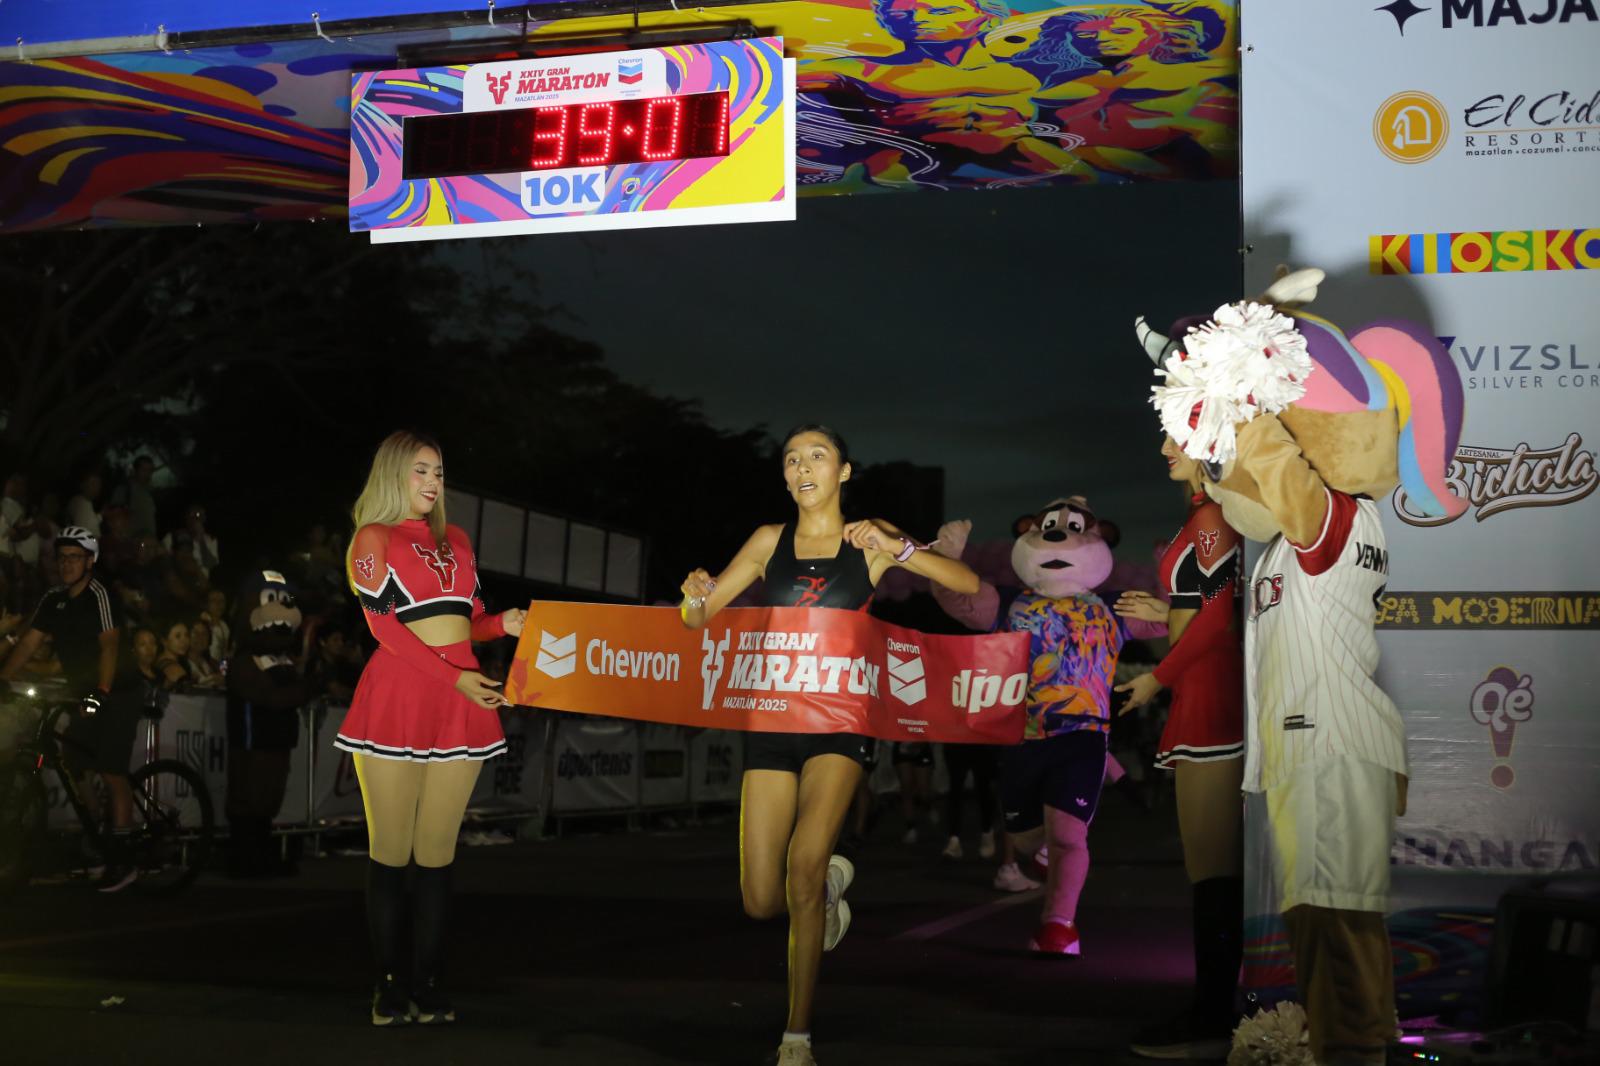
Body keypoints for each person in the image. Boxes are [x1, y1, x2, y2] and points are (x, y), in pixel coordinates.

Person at [678, 424, 980, 1066]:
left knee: (805, 869)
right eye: (792, 459)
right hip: (771, 723)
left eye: (817, 456)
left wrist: (896, 547)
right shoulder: (768, 540)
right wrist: (692, 597)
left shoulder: (867, 538)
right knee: (761, 900)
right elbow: (699, 617)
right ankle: (836, 882)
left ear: (843, 472)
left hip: (839, 725)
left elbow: (968, 584)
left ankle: (797, 1037)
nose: (802, 467)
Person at [333, 431, 525, 1027]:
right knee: (391, 852)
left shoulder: (457, 539)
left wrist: (503, 623)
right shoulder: (373, 538)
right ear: (394, 473)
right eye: (421, 470)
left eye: (439, 472)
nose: (433, 482)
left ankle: (430, 982)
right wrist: (455, 678)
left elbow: (469, 621)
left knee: (438, 853)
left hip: (460, 699)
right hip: (400, 697)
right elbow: (385, 629)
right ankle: (389, 985)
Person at [1114, 435, 1245, 1060]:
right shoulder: (1206, 511)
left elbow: (1219, 618)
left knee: (1215, 872)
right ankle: (1214, 1009)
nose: (1165, 444)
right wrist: (1164, 612)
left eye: (1180, 432)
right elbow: (1200, 613)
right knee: (1210, 870)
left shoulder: (1215, 512)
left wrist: (1155, 678)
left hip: (1214, 705)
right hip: (1204, 699)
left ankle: (1214, 1017)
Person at [0, 527, 138, 891]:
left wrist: (102, 692)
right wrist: (3, 678)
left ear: (90, 561)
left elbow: (109, 646)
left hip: (118, 690)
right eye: (61, 558)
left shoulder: (100, 594)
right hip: (83, 692)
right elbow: (28, 643)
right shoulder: (53, 598)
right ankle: (96, 842)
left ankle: (122, 859)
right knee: (76, 765)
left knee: (111, 770)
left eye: (74, 558)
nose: (66, 564)